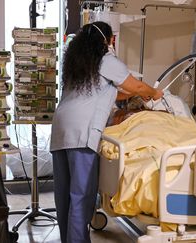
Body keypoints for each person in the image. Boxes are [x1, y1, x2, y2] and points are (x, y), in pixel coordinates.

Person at [50, 21, 163, 243]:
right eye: (112, 39)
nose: (113, 43)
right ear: (108, 39)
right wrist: (154, 93)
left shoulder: (78, 64)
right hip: (81, 133)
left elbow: (108, 92)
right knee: (81, 197)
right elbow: (136, 87)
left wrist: (132, 96)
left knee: (64, 197)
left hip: (61, 129)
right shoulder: (107, 60)